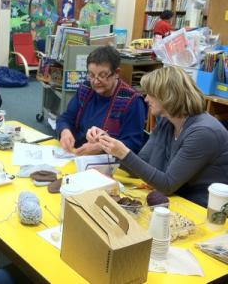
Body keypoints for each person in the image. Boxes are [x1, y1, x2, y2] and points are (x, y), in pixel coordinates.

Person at [95, 66, 228, 207]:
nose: (145, 99)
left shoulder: (203, 133)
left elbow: (167, 185)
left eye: (150, 94)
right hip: (180, 199)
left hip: (206, 209)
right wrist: (106, 144)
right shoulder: (167, 123)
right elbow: (141, 165)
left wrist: (124, 153)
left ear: (168, 95)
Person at [56, 46, 147, 155]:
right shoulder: (86, 88)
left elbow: (133, 144)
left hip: (108, 162)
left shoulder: (133, 101)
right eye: (91, 75)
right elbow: (66, 118)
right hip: (77, 153)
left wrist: (101, 147)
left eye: (102, 75)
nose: (95, 81)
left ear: (116, 73)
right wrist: (65, 131)